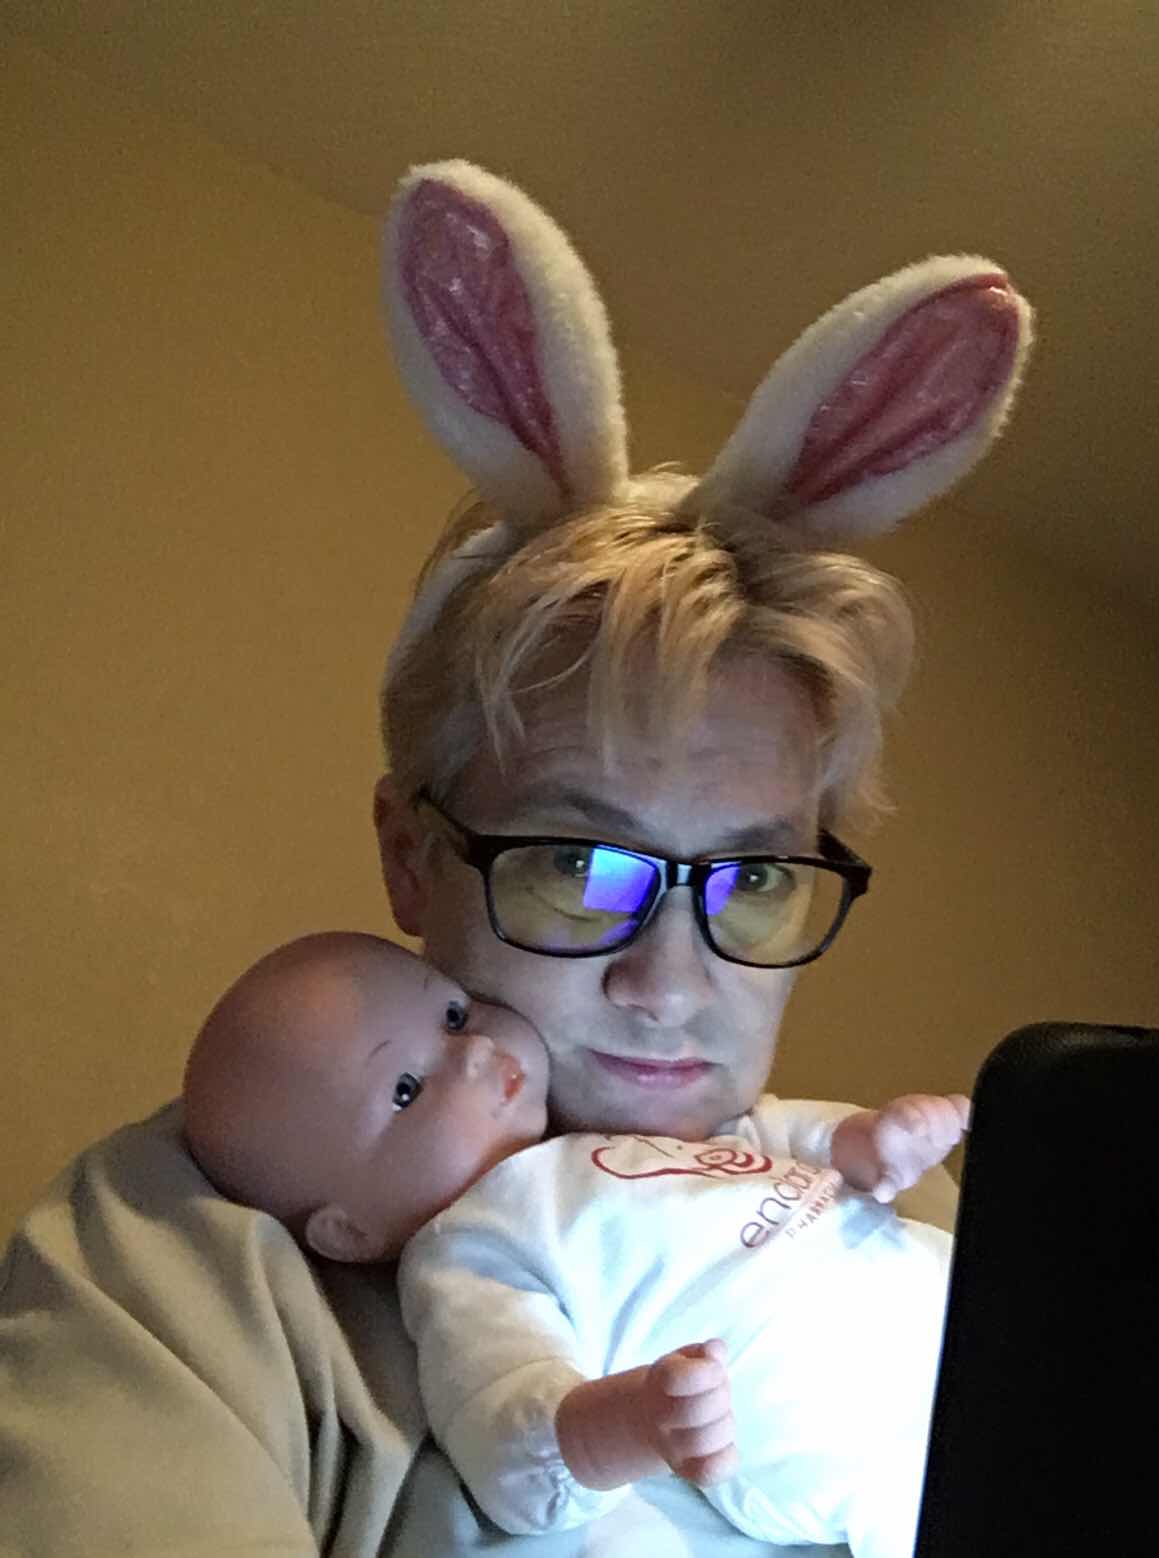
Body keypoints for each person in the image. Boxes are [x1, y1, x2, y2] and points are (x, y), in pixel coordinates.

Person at [0, 159, 1031, 1556]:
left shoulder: (915, 1212)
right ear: (411, 855)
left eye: (750, 880)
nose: (670, 984)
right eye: (580, 867)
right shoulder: (187, 1257)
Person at [183, 931, 968, 1556]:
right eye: (406, 1090)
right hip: (858, 1429)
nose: (474, 1052)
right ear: (349, 1230)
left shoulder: (616, 1133)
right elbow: (508, 1440)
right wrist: (630, 1421)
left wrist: (872, 1140)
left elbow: (768, 1138)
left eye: (453, 1016)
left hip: (944, 1293)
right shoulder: (470, 1250)